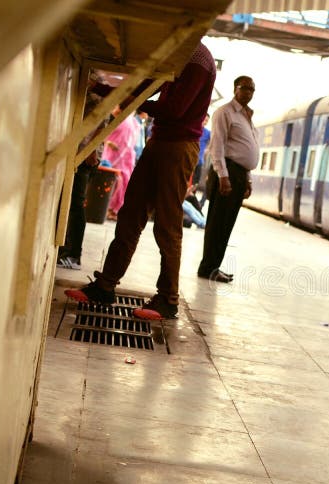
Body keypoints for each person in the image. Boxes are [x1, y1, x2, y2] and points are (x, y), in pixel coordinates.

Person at [65, 42, 217, 320]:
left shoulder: (197, 59)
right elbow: (142, 87)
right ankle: (105, 285)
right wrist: (102, 90)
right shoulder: (178, 52)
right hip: (159, 143)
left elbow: (174, 110)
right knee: (130, 214)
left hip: (179, 147)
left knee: (168, 225)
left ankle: (168, 299)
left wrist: (120, 98)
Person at [197, 76, 259, 284]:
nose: (249, 93)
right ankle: (207, 268)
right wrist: (223, 176)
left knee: (226, 224)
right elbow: (218, 146)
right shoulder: (224, 112)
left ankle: (214, 267)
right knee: (217, 222)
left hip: (239, 174)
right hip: (227, 173)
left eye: (252, 89)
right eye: (245, 88)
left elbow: (244, 151)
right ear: (235, 89)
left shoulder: (247, 116)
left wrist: (247, 178)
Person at [57, 77, 109, 270]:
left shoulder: (97, 89)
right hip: (78, 152)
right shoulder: (87, 86)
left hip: (84, 155)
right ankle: (65, 250)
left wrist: (92, 150)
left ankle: (73, 255)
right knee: (68, 204)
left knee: (75, 204)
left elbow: (103, 122)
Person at [102, 106, 139, 220]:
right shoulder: (118, 117)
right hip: (112, 156)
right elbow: (103, 134)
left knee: (123, 183)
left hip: (126, 158)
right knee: (114, 182)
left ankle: (115, 210)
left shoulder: (133, 122)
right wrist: (108, 142)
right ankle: (109, 209)